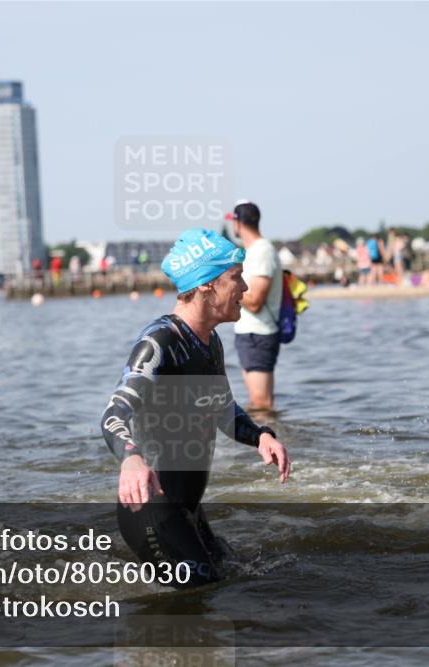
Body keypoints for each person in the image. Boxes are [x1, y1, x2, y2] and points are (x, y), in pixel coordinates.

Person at [100, 228, 291, 588]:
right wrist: (131, 458)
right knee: (211, 596)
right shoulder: (159, 343)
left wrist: (261, 436)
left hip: (189, 510)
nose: (246, 289)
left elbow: (221, 409)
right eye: (236, 278)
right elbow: (113, 414)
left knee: (246, 577)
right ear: (206, 284)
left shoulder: (209, 342)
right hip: (152, 510)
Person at [229, 201, 284, 412]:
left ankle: (264, 443)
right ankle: (272, 440)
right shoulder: (253, 251)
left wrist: (228, 290)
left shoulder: (262, 251)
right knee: (263, 403)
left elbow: (255, 301)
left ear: (237, 222)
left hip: (258, 334)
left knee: (260, 404)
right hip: (253, 334)